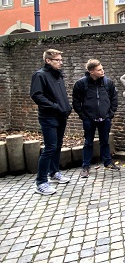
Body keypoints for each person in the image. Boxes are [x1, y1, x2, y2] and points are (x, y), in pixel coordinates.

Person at [30, 49, 72, 195]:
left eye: (61, 60)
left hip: (61, 116)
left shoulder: (57, 75)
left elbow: (60, 95)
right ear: (48, 61)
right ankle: (41, 182)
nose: (60, 62)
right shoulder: (40, 75)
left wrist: (66, 107)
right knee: (50, 147)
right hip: (48, 117)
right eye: (57, 60)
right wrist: (55, 107)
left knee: (58, 145)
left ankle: (54, 172)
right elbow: (37, 96)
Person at [72, 59, 120, 178]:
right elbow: (76, 102)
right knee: (88, 143)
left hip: (105, 118)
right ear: (91, 71)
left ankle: (108, 162)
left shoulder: (108, 83)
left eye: (102, 68)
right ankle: (86, 166)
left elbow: (114, 98)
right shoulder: (81, 84)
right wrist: (83, 116)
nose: (102, 71)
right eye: (99, 70)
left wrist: (110, 114)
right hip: (89, 119)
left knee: (105, 141)